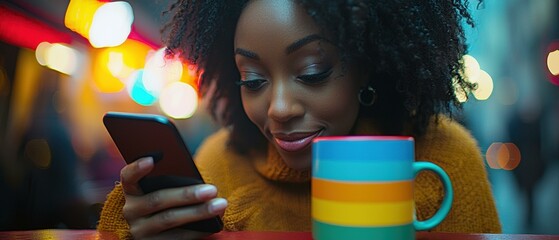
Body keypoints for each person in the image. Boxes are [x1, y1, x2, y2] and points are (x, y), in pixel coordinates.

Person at [98, 0, 502, 238]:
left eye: (312, 73)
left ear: (365, 63)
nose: (278, 108)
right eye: (252, 80)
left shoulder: (446, 160)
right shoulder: (217, 166)